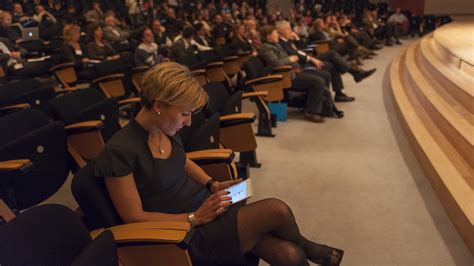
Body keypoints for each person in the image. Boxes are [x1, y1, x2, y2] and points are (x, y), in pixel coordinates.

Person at [93, 61, 345, 265]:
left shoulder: (166, 127)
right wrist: (193, 218)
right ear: (158, 105)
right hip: (182, 233)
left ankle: (308, 250)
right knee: (275, 210)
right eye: (185, 113)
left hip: (207, 208)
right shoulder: (119, 151)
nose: (189, 122)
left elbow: (181, 162)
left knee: (290, 255)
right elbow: (133, 218)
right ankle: (315, 249)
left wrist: (212, 184)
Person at [259, 26, 327, 123]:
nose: (278, 35)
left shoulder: (275, 44)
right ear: (269, 36)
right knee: (318, 82)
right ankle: (312, 112)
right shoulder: (266, 48)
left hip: (290, 73)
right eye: (275, 33)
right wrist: (289, 59)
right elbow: (275, 64)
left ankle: (319, 107)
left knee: (320, 77)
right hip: (283, 78)